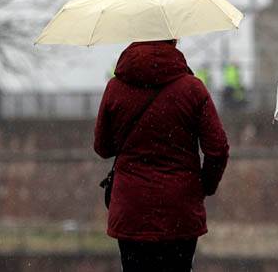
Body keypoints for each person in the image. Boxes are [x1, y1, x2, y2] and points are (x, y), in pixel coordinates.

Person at [94, 38, 229, 272]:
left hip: (131, 209)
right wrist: (203, 186)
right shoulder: (193, 89)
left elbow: (102, 148)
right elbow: (218, 149)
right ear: (174, 40)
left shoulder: (115, 88)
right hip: (180, 209)